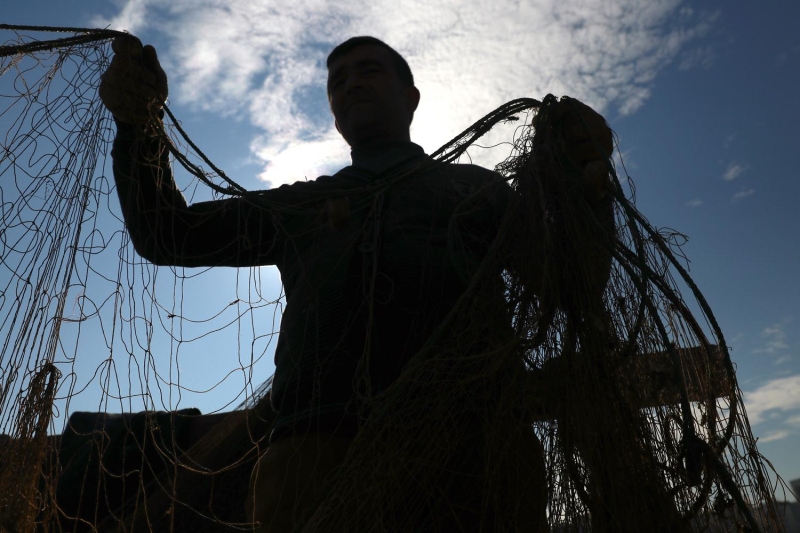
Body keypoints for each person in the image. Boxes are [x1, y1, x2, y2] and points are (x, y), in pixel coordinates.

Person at [100, 34, 613, 532]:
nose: (351, 84)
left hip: (478, 449)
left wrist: (586, 179)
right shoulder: (299, 205)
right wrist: (138, 126)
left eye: (369, 71)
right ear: (334, 114)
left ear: (411, 98)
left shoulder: (478, 190)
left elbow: (573, 286)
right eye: (338, 82)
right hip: (312, 455)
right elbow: (167, 232)